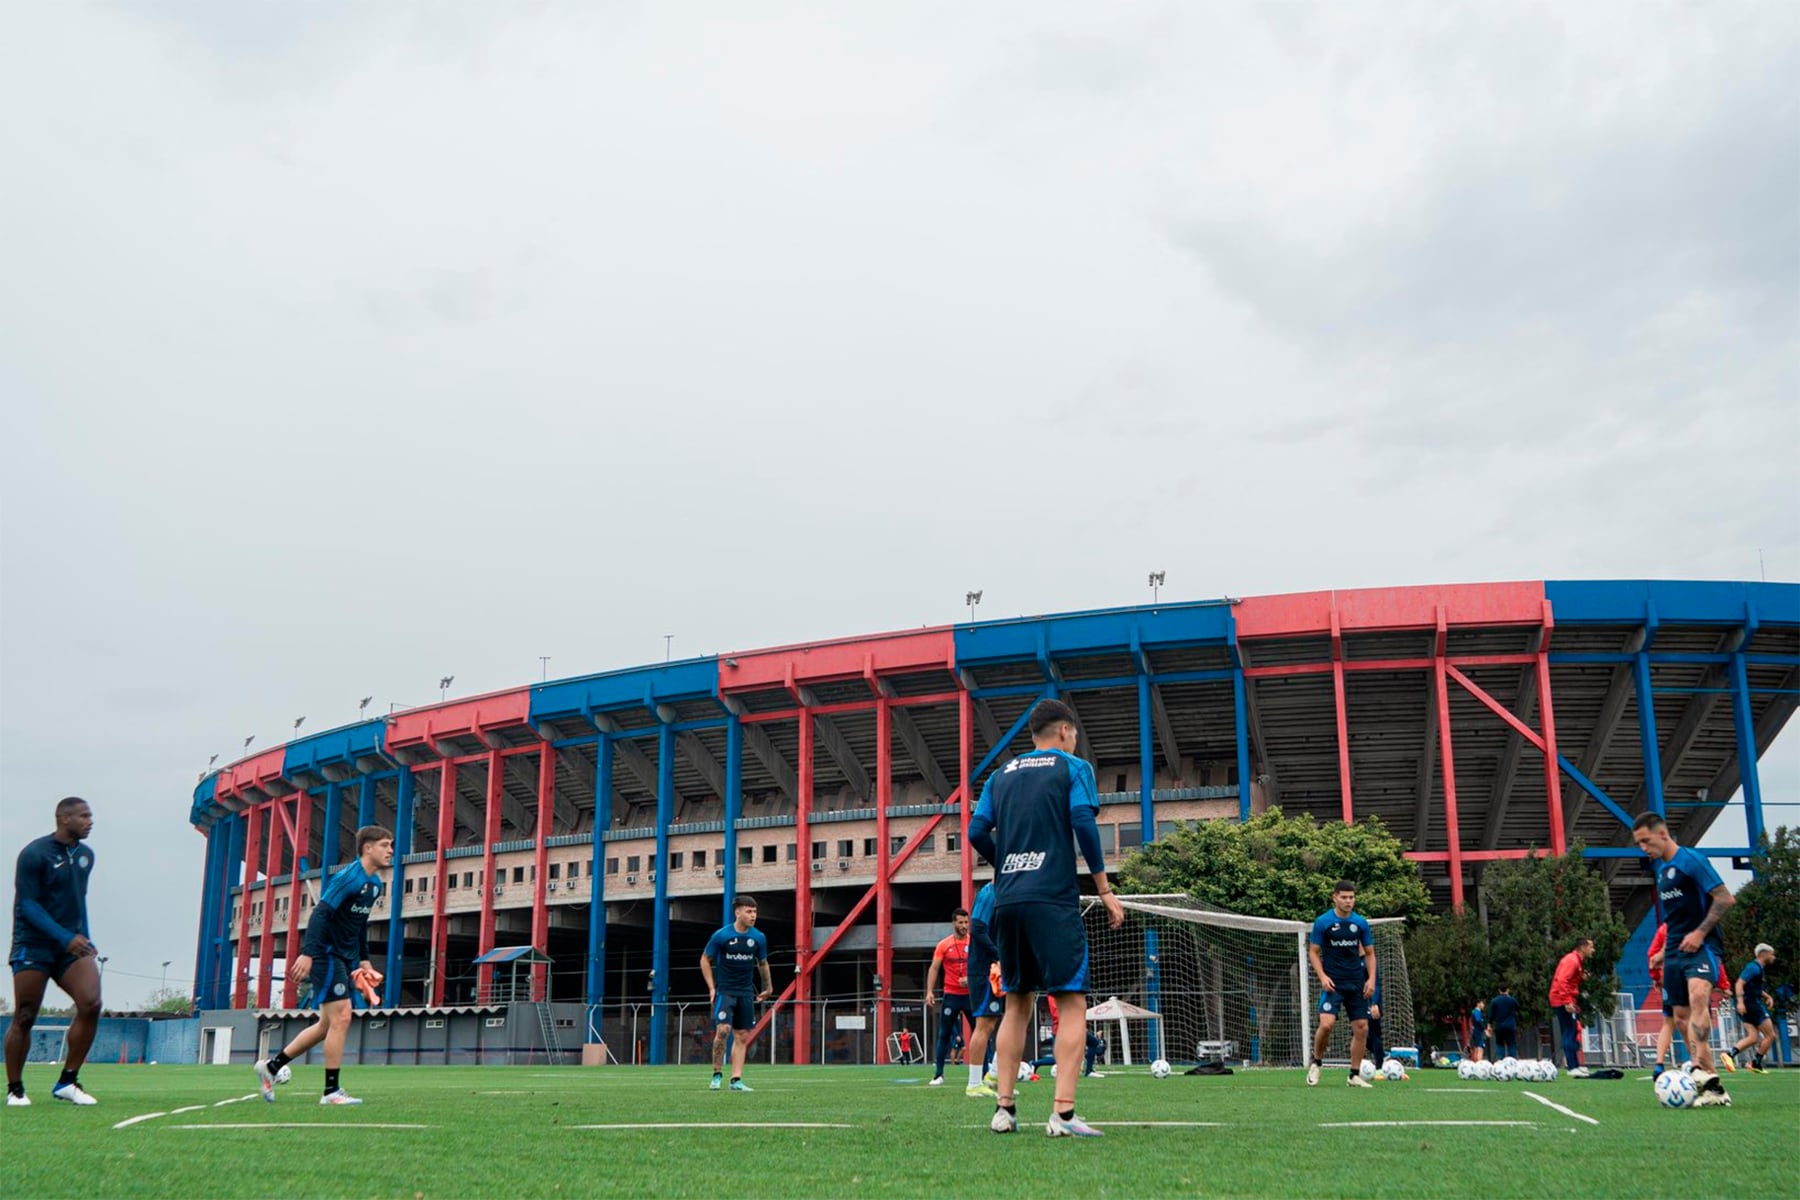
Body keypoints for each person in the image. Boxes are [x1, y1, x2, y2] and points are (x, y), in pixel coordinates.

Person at [969, 698, 1125, 1138]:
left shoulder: (1001, 775)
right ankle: (1063, 1114)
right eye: (1074, 735)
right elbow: (1082, 821)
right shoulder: (1073, 767)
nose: (1075, 741)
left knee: (1017, 1002)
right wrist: (1105, 889)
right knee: (1072, 1001)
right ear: (1063, 732)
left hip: (1009, 899)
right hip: (1053, 900)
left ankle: (1004, 1109)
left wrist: (1008, 865)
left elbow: (975, 831)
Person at [254, 825, 393, 1105]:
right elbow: (321, 914)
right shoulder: (349, 878)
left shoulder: (374, 884)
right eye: (385, 845)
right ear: (368, 848)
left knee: (325, 1025)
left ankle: (270, 1067)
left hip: (342, 956)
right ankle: (331, 1092)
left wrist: (364, 959)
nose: (391, 850)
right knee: (343, 1017)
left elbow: (359, 925)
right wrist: (308, 953)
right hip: (325, 954)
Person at [1631, 811, 1734, 1106]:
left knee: (1699, 994)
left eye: (1645, 841)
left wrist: (1700, 933)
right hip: (1675, 952)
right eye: (1639, 843)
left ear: (1662, 834)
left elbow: (1725, 898)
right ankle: (1713, 1087)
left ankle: (1699, 1070)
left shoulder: (1692, 860)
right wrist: (1663, 953)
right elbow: (1674, 920)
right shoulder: (1663, 874)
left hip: (1702, 947)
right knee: (1679, 1017)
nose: (1643, 848)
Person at [6, 798, 101, 1106]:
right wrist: (64, 937)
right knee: (25, 1015)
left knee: (91, 1003)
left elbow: (78, 899)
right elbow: (28, 905)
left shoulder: (86, 856)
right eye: (84, 816)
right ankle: (15, 1089)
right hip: (33, 944)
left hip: (71, 946)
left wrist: (84, 937)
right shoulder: (35, 854)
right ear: (64, 818)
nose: (90, 821)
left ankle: (67, 1082)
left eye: (91, 815)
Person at [1306, 880, 1377, 1089]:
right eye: (1344, 897)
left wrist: (1371, 979)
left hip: (1356, 983)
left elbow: (1370, 953)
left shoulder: (1361, 923)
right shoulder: (1323, 922)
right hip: (1333, 983)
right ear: (1334, 897)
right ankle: (1316, 1062)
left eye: (1351, 897)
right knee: (1326, 1024)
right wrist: (1322, 976)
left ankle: (1354, 1075)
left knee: (1362, 1028)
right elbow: (1313, 951)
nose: (1348, 901)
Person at [699, 895, 773, 1092]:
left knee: (742, 1035)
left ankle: (736, 1080)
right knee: (723, 1030)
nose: (753, 916)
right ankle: (716, 1074)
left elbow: (763, 963)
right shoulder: (721, 936)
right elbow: (705, 959)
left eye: (755, 912)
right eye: (749, 911)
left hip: (746, 992)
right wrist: (712, 987)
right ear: (737, 912)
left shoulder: (758, 937)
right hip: (726, 991)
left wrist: (768, 987)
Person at [925, 907, 973, 1087]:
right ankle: (938, 1074)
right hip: (951, 995)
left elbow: (982, 966)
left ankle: (985, 1073)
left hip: (970, 995)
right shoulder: (944, 944)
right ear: (954, 923)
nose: (964, 926)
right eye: (960, 922)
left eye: (966, 922)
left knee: (981, 1033)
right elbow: (934, 968)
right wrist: (929, 991)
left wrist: (971, 979)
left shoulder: (974, 943)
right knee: (944, 1034)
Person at [962, 879, 1001, 1097]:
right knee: (984, 1023)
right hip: (985, 970)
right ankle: (974, 1083)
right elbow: (977, 928)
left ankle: (994, 1077)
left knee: (1004, 1021)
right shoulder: (989, 892)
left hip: (997, 968)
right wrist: (998, 955)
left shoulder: (1005, 890)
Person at [1549, 938, 1594, 1077]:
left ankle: (1575, 1065)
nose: (1593, 950)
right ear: (1583, 947)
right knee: (1569, 1031)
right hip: (1562, 1000)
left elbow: (1571, 980)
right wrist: (1567, 1002)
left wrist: (1582, 978)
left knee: (1573, 1030)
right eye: (1591, 947)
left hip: (1566, 999)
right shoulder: (1572, 960)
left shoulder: (1577, 962)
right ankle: (1572, 1067)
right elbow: (1562, 980)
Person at [1731, 943, 1777, 1073]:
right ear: (1764, 954)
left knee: (1753, 1037)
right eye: (1772, 954)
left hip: (1748, 1005)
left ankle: (1729, 1054)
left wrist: (1766, 995)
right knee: (1770, 1035)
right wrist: (1740, 1002)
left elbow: (1752, 987)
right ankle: (1756, 1063)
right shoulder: (1754, 968)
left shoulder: (1757, 969)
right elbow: (1739, 983)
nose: (1773, 957)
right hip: (1752, 1005)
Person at [1488, 984, 1519, 1061]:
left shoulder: (1494, 1001)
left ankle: (1500, 1061)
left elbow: (1491, 1015)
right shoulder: (1512, 1000)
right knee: (1511, 1044)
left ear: (1499, 990)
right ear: (1508, 990)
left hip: (1499, 1026)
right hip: (1510, 1026)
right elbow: (1518, 1007)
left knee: (1499, 1044)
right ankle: (1512, 1062)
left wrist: (1489, 1025)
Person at [1467, 997, 1487, 1064]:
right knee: (1480, 1048)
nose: (1483, 1005)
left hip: (1475, 1032)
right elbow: (1478, 1020)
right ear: (1478, 1004)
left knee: (1476, 1048)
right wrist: (1484, 1029)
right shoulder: (1477, 1012)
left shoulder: (1474, 1012)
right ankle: (1479, 1064)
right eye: (1482, 1003)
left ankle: (1475, 1064)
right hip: (1478, 1032)